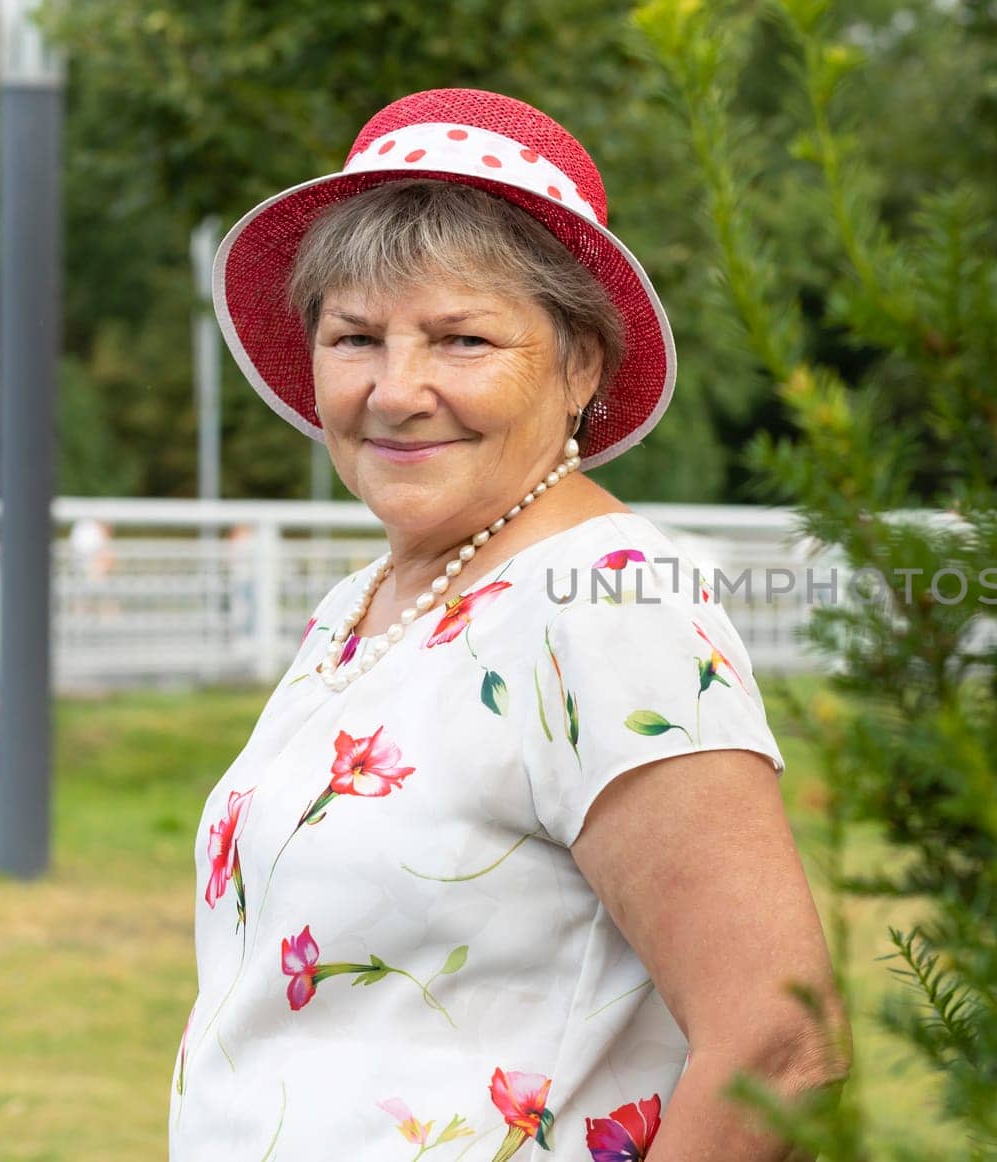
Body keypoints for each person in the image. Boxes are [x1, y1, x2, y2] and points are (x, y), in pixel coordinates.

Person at [172, 88, 849, 1160]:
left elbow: (777, 1042)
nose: (397, 391)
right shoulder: (365, 603)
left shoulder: (608, 601)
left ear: (581, 364)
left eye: (463, 339)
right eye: (356, 337)